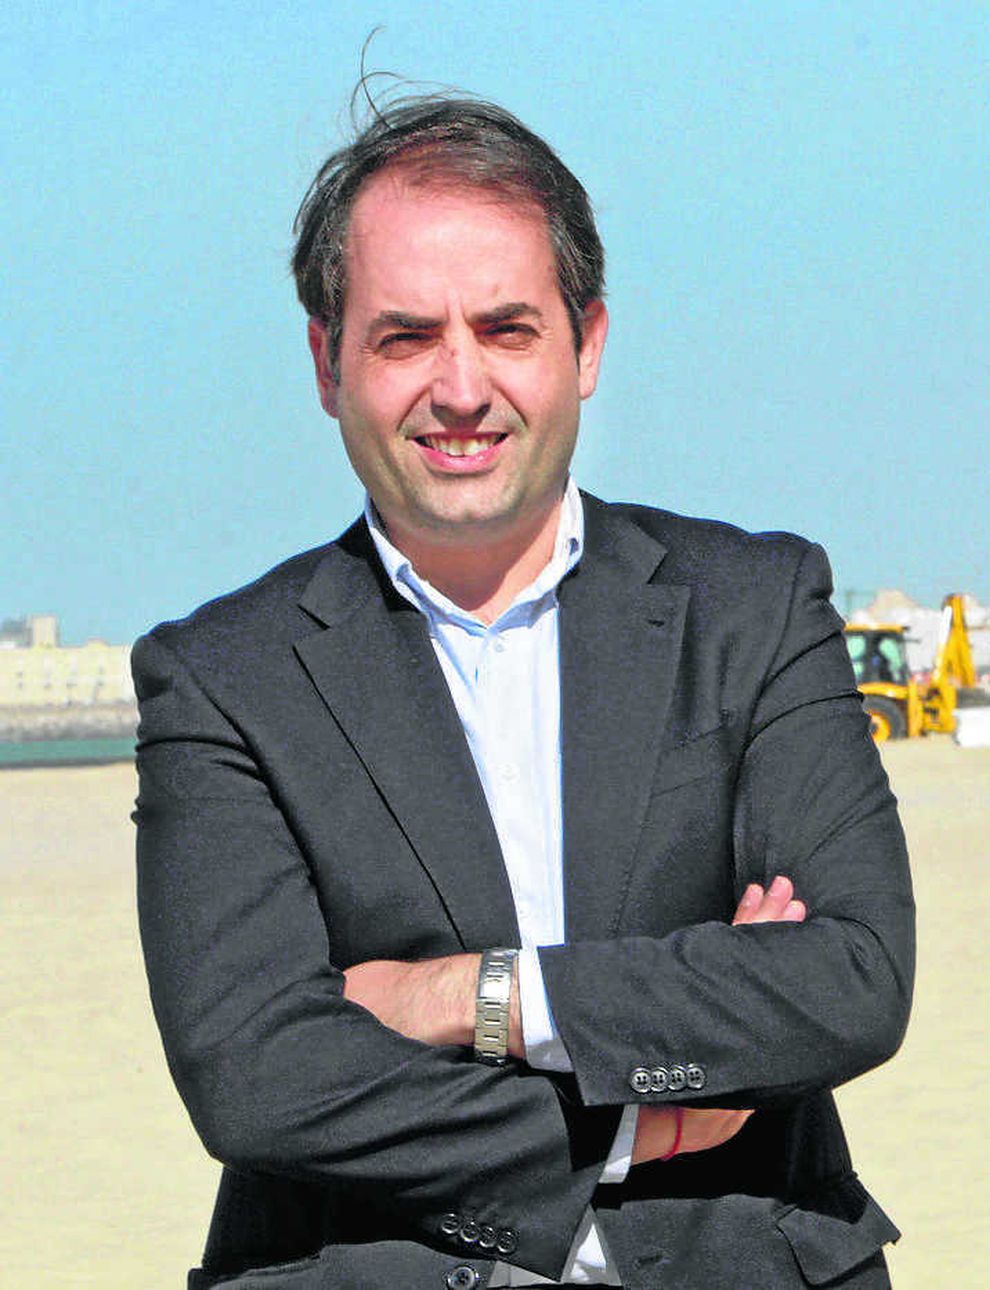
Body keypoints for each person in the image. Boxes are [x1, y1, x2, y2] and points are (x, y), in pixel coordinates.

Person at [133, 93, 914, 1289]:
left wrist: (462, 996)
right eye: (404, 337)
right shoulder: (225, 677)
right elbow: (256, 1077)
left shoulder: (751, 608)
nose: (460, 389)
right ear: (325, 362)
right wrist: (631, 1120)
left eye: (506, 329)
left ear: (586, 345)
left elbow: (849, 983)